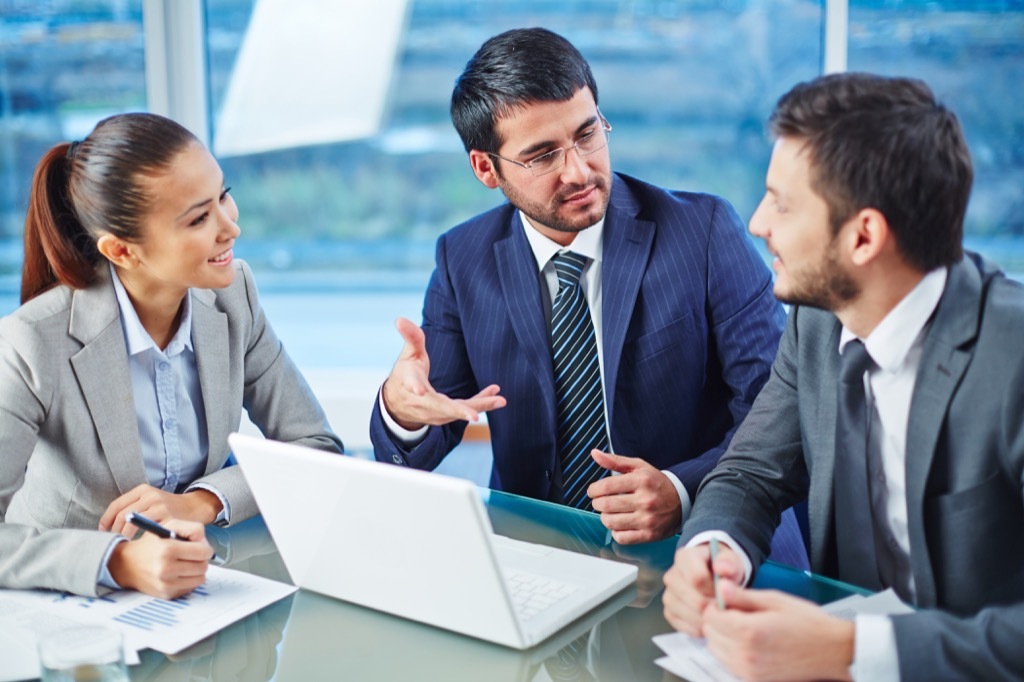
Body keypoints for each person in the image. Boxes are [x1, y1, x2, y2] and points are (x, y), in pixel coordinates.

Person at [370, 27, 795, 549]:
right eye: (543, 155)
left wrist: (682, 489)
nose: (579, 170)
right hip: (537, 554)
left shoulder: (703, 232)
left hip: (696, 541)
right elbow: (436, 421)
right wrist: (402, 409)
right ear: (486, 168)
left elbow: (776, 409)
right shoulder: (462, 261)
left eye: (588, 134)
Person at [662, 72, 1024, 681]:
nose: (757, 223)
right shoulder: (817, 319)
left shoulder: (1011, 358)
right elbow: (752, 473)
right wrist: (713, 551)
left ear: (863, 236)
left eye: (780, 202)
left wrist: (849, 651)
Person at [0, 113, 343, 599]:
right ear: (121, 250)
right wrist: (118, 562)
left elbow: (316, 447)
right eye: (199, 218)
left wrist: (202, 502)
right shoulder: (31, 342)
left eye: (223, 195)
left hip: (204, 595)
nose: (231, 227)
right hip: (73, 619)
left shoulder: (232, 296)